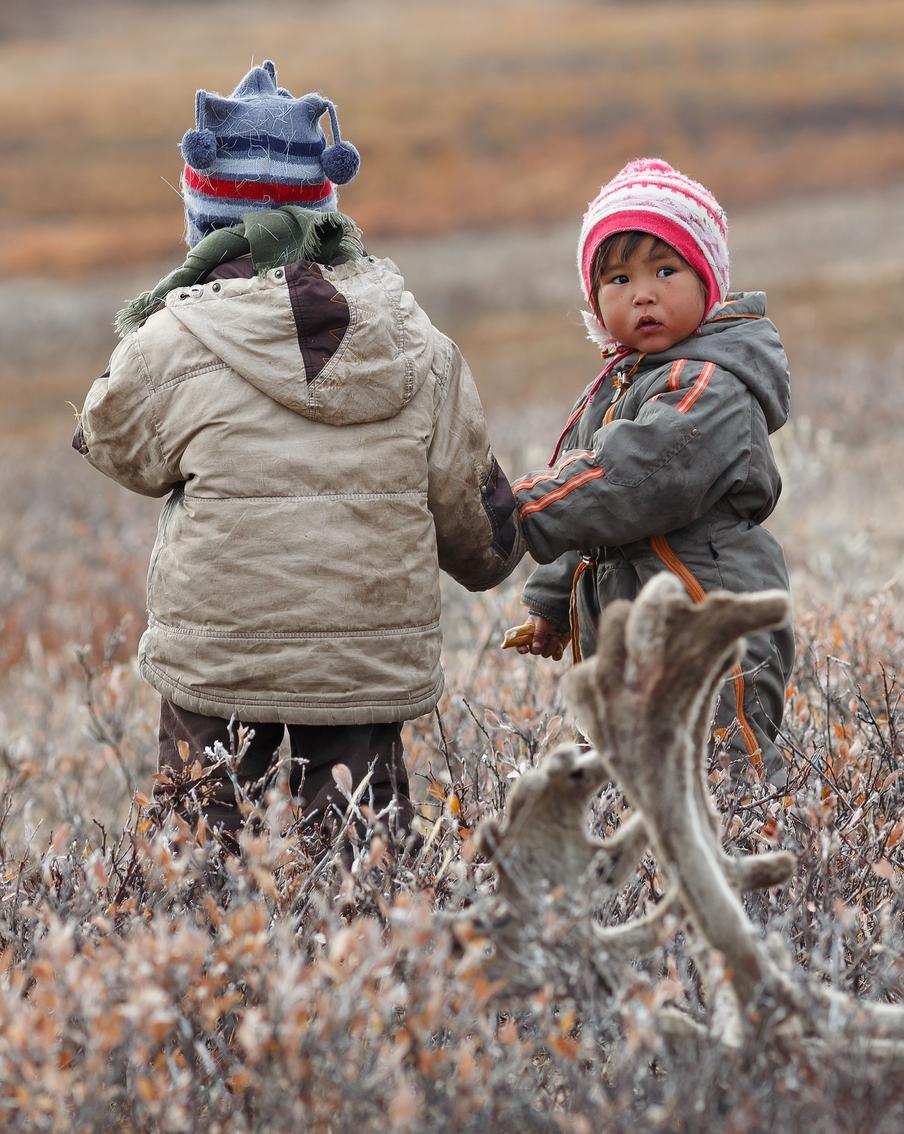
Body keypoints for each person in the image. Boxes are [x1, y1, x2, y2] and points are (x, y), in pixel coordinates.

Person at [72, 60, 524, 842]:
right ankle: (367, 950)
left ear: (204, 222)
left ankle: (198, 961)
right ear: (326, 209)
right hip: (362, 666)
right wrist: (499, 553)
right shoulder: (417, 340)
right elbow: (478, 527)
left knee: (202, 856)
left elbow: (114, 443)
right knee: (356, 857)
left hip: (216, 662)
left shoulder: (175, 337)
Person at [511, 158, 794, 785]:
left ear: (707, 281)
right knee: (627, 775)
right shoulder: (618, 385)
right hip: (625, 629)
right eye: (618, 278)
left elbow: (633, 477)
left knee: (723, 773)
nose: (642, 293)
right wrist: (552, 600)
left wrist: (522, 509)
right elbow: (585, 486)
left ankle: (765, 868)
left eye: (665, 271)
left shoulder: (710, 384)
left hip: (712, 619)